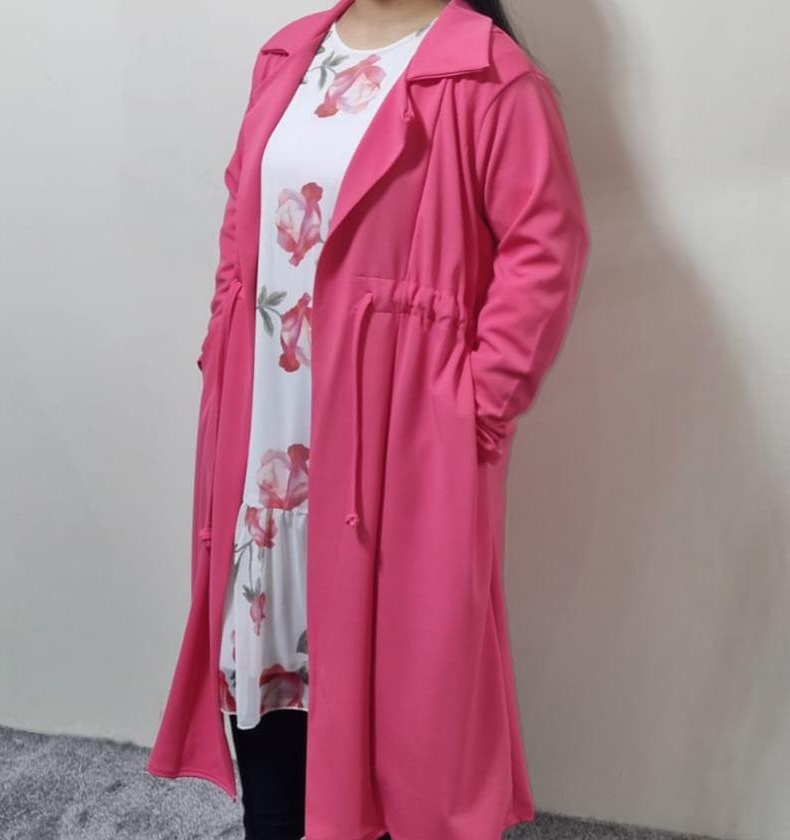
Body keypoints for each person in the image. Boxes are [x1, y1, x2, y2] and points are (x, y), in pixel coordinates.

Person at [146, 0, 591, 838]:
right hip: (268, 438)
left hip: (400, 447)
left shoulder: (489, 75)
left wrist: (473, 411)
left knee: (401, 690)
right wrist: (220, 342)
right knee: (267, 666)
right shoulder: (287, 55)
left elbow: (546, 250)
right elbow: (242, 215)